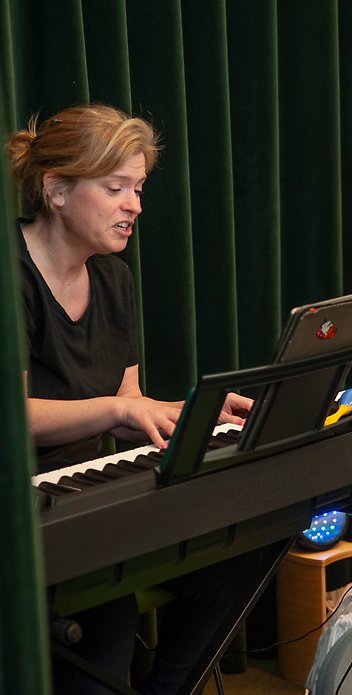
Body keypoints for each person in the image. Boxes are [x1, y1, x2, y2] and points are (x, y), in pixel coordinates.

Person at [7, 103, 254, 694]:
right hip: (31, 509)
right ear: (56, 190)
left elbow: (127, 400)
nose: (135, 206)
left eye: (138, 189)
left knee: (239, 548)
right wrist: (121, 409)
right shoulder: (9, 273)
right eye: (116, 187)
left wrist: (182, 415)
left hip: (97, 486)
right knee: (102, 635)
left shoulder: (114, 278)